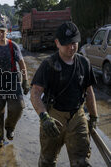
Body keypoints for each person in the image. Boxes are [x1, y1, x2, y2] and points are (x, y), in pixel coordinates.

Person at [30, 22, 98, 167]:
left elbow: (89, 91)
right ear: (57, 43)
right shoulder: (48, 64)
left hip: (77, 117)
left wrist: (93, 116)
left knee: (81, 162)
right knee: (47, 161)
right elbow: (35, 93)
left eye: (74, 43)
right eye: (67, 43)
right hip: (54, 117)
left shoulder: (84, 63)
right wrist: (44, 117)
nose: (71, 47)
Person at [0, 22, 30, 147]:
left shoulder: (13, 46)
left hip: (13, 80)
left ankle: (10, 128)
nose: (1, 34)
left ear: (7, 31)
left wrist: (25, 81)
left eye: (3, 31)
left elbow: (22, 63)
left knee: (18, 107)